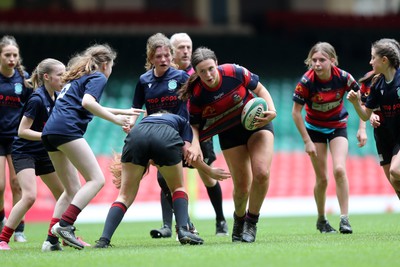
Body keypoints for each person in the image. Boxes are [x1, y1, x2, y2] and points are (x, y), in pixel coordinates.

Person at [41, 44, 144, 250]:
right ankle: (65, 225)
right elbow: (88, 102)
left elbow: (85, 103)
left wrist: (121, 110)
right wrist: (117, 120)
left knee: (71, 190)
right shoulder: (98, 77)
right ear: (105, 64)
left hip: (50, 132)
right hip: (67, 130)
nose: (111, 69)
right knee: (96, 179)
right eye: (112, 65)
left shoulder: (78, 78)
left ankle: (50, 242)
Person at [178, 47, 277, 243]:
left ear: (217, 64)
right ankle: (239, 220)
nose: (208, 75)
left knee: (262, 173)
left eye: (211, 69)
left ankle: (251, 222)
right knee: (241, 186)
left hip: (257, 123)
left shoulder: (235, 72)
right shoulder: (197, 94)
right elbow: (194, 125)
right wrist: (195, 144)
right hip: (229, 133)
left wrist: (271, 109)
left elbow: (260, 89)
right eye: (202, 72)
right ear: (196, 74)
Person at [94, 112, 231, 248]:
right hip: (165, 136)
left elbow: (147, 143)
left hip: (136, 135)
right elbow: (188, 154)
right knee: (177, 188)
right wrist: (209, 171)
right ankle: (183, 230)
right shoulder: (182, 121)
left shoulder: (146, 120)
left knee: (124, 197)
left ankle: (104, 240)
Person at [150, 33, 228, 238]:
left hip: (198, 134)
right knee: (164, 176)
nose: (185, 51)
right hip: (170, 135)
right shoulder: (162, 74)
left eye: (188, 47)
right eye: (180, 47)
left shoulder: (199, 73)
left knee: (207, 176)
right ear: (171, 52)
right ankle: (168, 225)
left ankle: (220, 219)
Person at [129, 33, 198, 239]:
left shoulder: (182, 77)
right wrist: (131, 125)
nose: (164, 59)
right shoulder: (144, 81)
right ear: (151, 58)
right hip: (155, 134)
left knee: (166, 178)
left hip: (177, 135)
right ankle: (180, 226)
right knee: (165, 180)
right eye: (158, 56)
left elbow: (194, 105)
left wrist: (193, 139)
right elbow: (136, 108)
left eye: (167, 55)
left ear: (171, 56)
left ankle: (181, 226)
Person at [292, 42, 360, 234]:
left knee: (339, 169)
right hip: (314, 130)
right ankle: (321, 219)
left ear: (332, 60)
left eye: (322, 60)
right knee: (322, 178)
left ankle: (344, 219)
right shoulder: (306, 82)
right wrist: (307, 141)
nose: (317, 64)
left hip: (338, 126)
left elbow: (363, 99)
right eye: (314, 60)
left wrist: (362, 128)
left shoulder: (344, 78)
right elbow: (296, 113)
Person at [0, 58, 67, 251]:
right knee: (29, 196)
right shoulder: (37, 99)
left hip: (43, 151)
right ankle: (2, 239)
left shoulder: (57, 97)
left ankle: (61, 235)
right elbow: (22, 131)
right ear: (46, 77)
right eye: (60, 74)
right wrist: (48, 136)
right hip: (24, 152)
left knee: (64, 194)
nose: (64, 78)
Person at [347, 38, 400, 202]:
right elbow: (365, 114)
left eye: (373, 58)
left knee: (396, 172)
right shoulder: (376, 84)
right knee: (394, 181)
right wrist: (356, 104)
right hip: (386, 135)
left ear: (384, 60)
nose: (370, 62)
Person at [0, 35, 33, 242]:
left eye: (14, 55)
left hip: (15, 137)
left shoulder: (23, 79)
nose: (11, 58)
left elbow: (30, 108)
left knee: (16, 184)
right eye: (7, 55)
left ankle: (19, 229)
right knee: (0, 185)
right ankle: (2, 220)